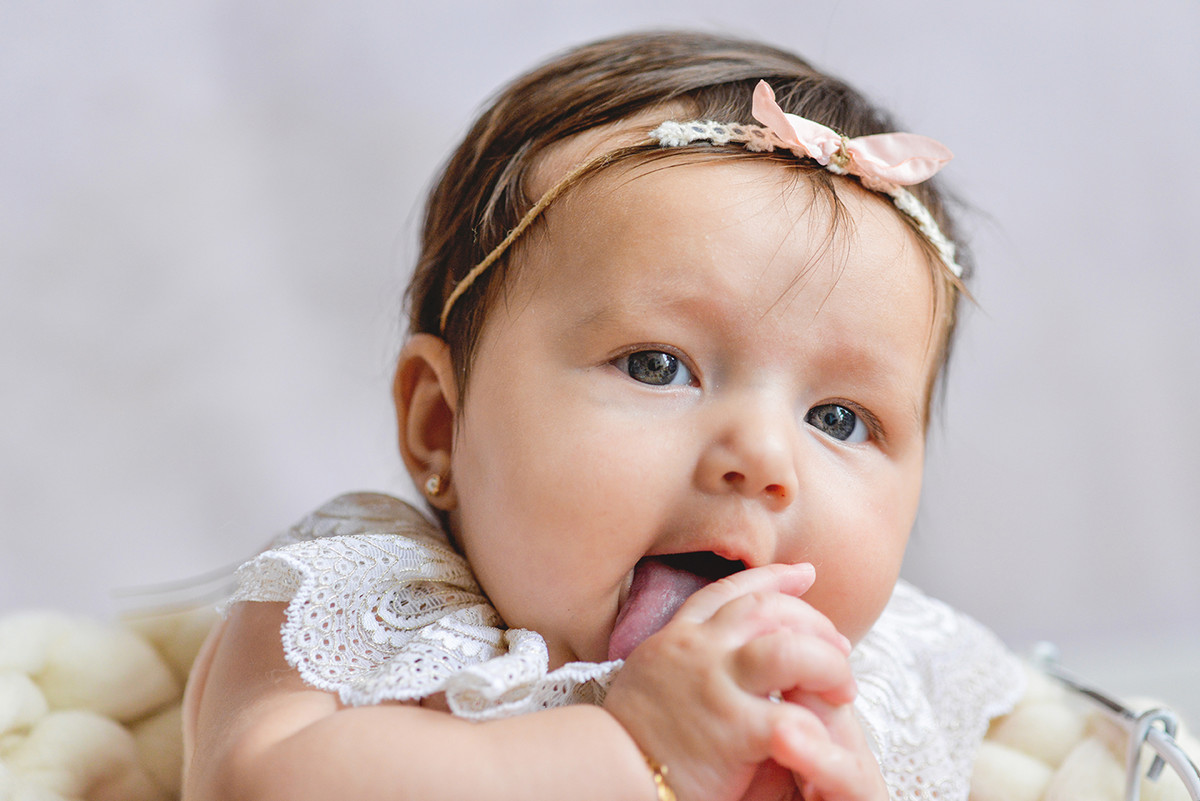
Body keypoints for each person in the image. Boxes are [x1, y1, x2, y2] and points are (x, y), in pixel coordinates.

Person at [182, 31, 1023, 801]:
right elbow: (255, 782)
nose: (764, 455)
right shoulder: (372, 607)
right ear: (442, 424)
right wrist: (638, 747)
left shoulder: (875, 685)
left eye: (838, 418)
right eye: (659, 367)